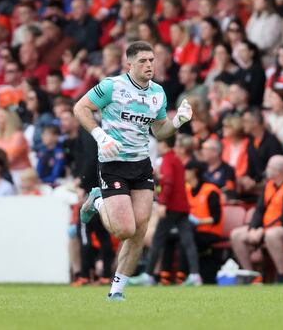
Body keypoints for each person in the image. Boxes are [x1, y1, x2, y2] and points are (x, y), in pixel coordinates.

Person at [75, 41, 194, 301]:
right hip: (113, 162)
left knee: (140, 230)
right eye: (143, 61)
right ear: (129, 64)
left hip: (141, 164)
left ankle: (117, 290)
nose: (149, 65)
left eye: (152, 60)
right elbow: (80, 107)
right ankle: (97, 200)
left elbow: (159, 131)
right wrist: (100, 135)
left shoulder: (158, 93)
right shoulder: (112, 86)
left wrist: (178, 122)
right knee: (124, 230)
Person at [132, 133, 202, 287]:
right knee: (188, 241)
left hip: (171, 207)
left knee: (157, 240)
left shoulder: (168, 159)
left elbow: (169, 183)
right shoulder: (175, 159)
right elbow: (171, 180)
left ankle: (148, 275)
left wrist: (162, 203)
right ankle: (196, 275)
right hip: (182, 206)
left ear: (163, 144)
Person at [230, 155, 283, 283]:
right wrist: (253, 228)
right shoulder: (269, 185)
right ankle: (251, 275)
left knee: (272, 235)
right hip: (266, 227)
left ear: (279, 171)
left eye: (270, 167)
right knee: (236, 235)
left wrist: (263, 231)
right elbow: (259, 210)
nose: (267, 170)